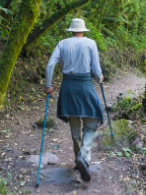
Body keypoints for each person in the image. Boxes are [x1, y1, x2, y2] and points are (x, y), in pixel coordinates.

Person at [44, 18, 104, 182]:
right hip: (85, 86)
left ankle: (79, 159)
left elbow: (50, 65)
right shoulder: (90, 43)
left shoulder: (62, 43)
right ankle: (83, 157)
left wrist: (48, 85)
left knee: (75, 128)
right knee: (92, 123)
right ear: (84, 30)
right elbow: (96, 70)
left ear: (70, 30)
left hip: (68, 88)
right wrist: (99, 77)